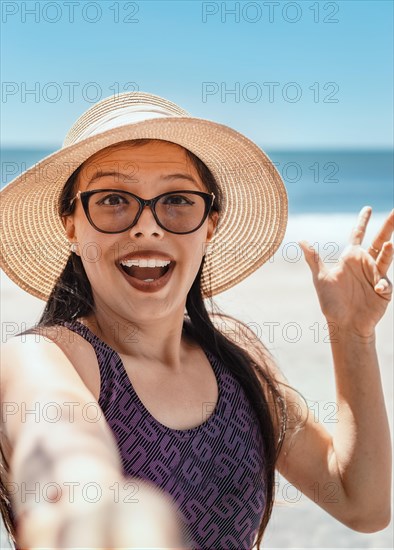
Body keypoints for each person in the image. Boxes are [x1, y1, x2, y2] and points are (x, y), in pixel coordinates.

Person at [0, 92, 392, 549]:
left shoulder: (238, 365)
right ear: (71, 226)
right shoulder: (43, 358)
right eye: (112, 199)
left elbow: (362, 504)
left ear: (209, 225)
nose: (147, 226)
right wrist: (95, 513)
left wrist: (352, 335)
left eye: (177, 200)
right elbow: (61, 455)